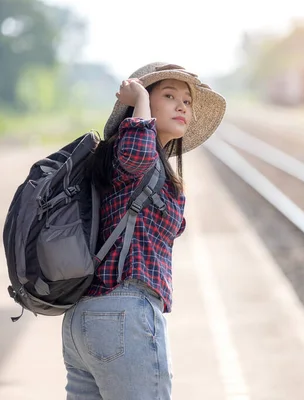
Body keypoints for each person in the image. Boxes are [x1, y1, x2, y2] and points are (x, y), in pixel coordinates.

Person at [61, 62, 226, 399]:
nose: (182, 105)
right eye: (169, 96)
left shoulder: (128, 162)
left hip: (84, 317)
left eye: (187, 101)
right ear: (146, 107)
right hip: (124, 310)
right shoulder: (135, 153)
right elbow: (138, 149)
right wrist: (138, 98)